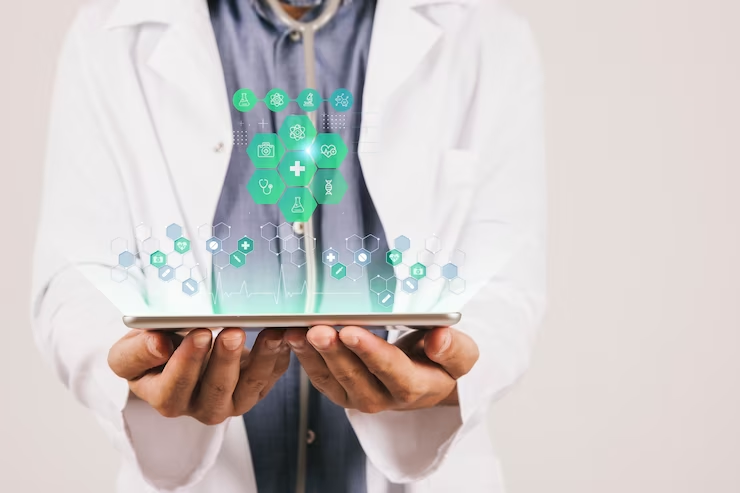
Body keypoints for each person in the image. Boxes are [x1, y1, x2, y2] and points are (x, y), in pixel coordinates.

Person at [31, 0, 546, 492]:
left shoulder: (487, 34)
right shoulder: (108, 37)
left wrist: (446, 379)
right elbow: (77, 278)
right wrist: (137, 370)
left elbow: (505, 281)